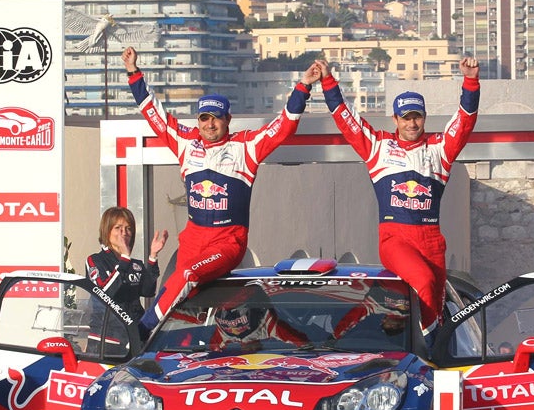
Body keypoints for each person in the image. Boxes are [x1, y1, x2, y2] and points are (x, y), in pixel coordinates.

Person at [124, 46, 322, 331]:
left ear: (228, 119)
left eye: (216, 118)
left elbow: (283, 126)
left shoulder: (245, 146)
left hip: (227, 241)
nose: (210, 124)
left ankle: (141, 333)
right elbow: (153, 113)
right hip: (193, 239)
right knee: (180, 296)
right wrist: (133, 71)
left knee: (189, 275)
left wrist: (303, 86)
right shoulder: (185, 142)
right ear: (198, 121)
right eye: (204, 118)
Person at [314, 57, 480, 335]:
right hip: (395, 239)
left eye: (417, 116)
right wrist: (328, 81)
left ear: (424, 117)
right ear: (395, 119)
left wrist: (471, 81)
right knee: (424, 282)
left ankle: (433, 355)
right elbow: (347, 120)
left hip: (432, 241)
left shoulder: (439, 148)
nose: (412, 123)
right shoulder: (378, 146)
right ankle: (426, 345)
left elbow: (464, 122)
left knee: (436, 309)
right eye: (406, 118)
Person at [86, 206, 168, 326]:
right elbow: (104, 294)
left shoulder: (135, 264)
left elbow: (148, 291)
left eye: (128, 229)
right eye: (118, 228)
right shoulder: (95, 260)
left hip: (134, 332)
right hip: (108, 334)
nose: (124, 233)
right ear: (107, 231)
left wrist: (153, 257)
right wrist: (124, 260)